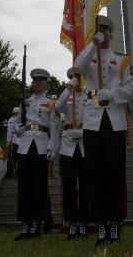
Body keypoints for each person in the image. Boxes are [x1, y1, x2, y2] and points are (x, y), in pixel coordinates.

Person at [74, 15, 133, 245]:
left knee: (115, 174)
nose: (102, 33)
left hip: (114, 120)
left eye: (105, 30)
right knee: (94, 174)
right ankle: (101, 223)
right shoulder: (89, 56)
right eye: (99, 30)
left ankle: (115, 223)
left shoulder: (122, 60)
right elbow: (77, 67)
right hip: (92, 121)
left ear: (111, 33)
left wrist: (112, 94)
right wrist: (92, 44)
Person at [15, 68, 60, 240]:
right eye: (35, 81)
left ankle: (36, 224)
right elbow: (17, 126)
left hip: (41, 144)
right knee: (24, 186)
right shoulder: (24, 103)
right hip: (25, 145)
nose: (37, 83)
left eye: (40, 81)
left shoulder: (50, 102)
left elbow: (54, 126)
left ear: (45, 83)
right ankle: (25, 225)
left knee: (39, 187)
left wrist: (52, 148)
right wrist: (19, 129)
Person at [56, 68, 89, 240]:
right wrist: (69, 88)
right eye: (73, 78)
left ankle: (83, 222)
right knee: (68, 186)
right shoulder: (65, 97)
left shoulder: (88, 97)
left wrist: (85, 133)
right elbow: (57, 107)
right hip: (67, 143)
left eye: (78, 78)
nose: (76, 81)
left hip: (84, 143)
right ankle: (72, 223)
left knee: (84, 185)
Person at [6, 107, 20, 177]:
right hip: (14, 139)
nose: (16, 113)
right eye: (16, 112)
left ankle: (15, 171)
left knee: (15, 157)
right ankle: (11, 171)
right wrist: (8, 140)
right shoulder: (12, 119)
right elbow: (9, 131)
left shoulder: (18, 119)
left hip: (19, 140)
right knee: (12, 156)